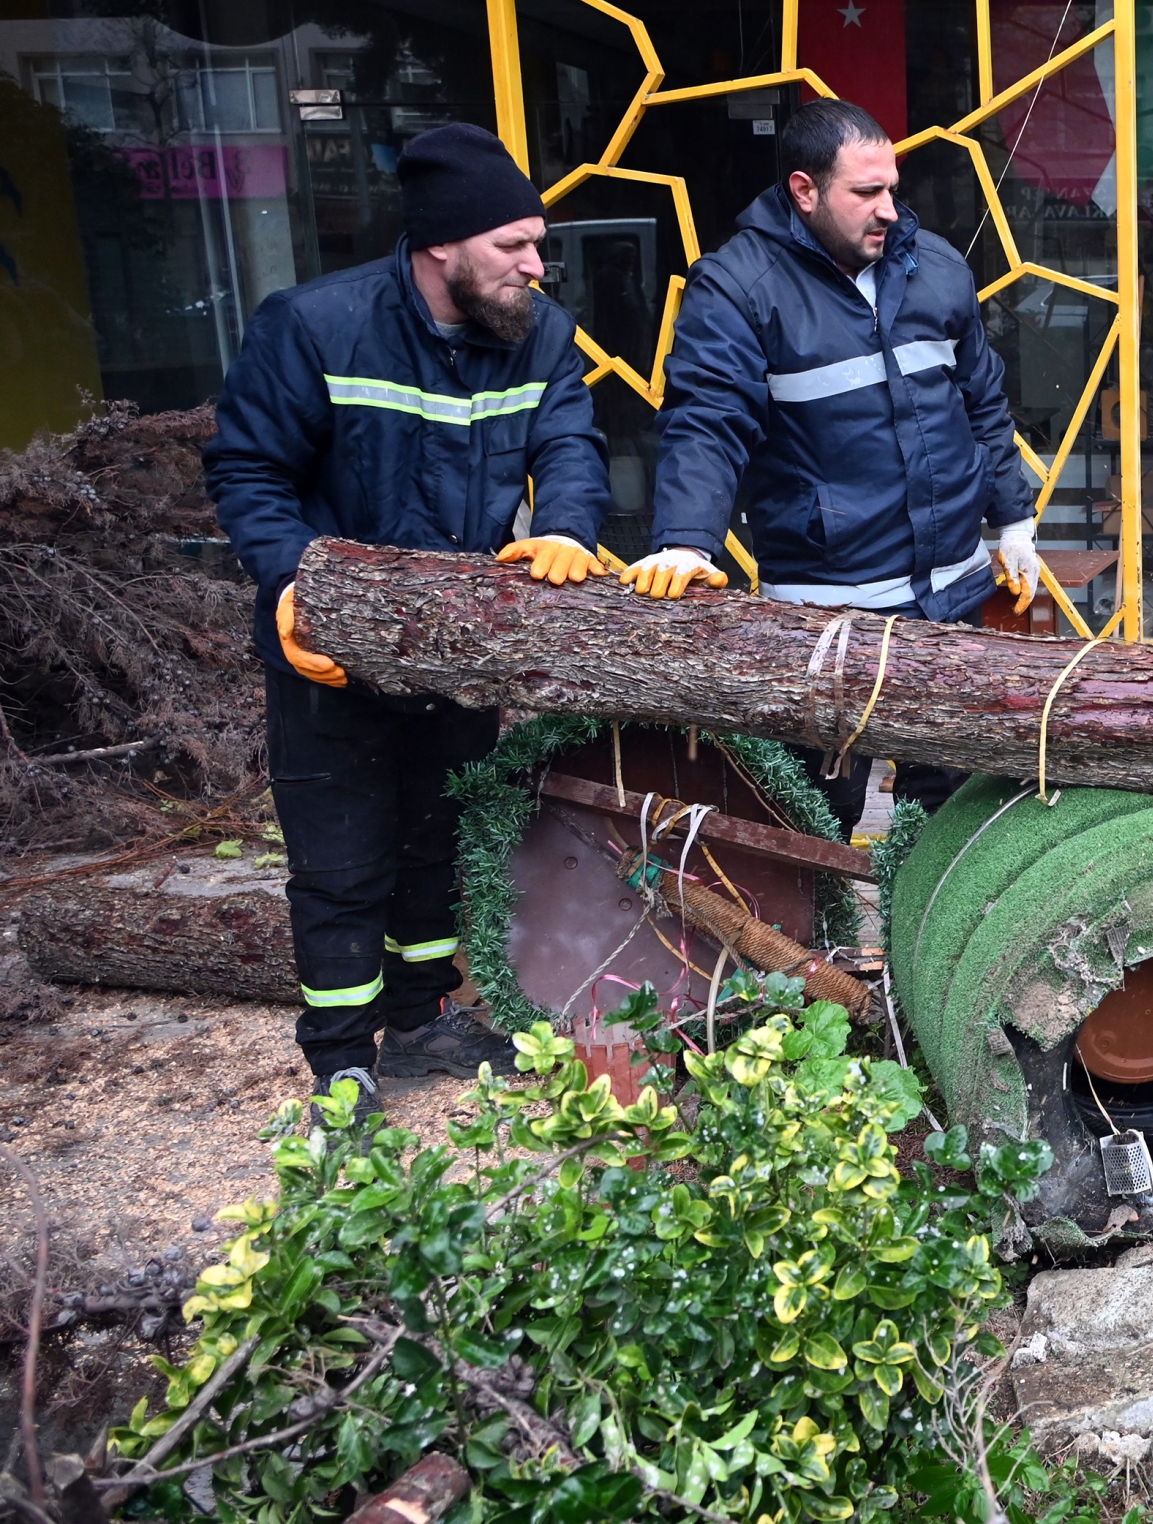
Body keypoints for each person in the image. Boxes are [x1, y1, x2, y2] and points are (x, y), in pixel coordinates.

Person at [204, 121, 611, 1124]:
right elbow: (250, 473)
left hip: (456, 654)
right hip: (329, 657)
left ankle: (423, 1013)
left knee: (440, 838)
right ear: (442, 244)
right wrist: (289, 582)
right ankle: (341, 1058)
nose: (535, 262)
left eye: (537, 242)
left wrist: (563, 524)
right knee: (342, 859)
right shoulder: (314, 327)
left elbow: (571, 442)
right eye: (514, 243)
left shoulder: (538, 334)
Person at [622, 99, 1039, 829]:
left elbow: (983, 402)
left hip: (949, 605)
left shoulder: (936, 267)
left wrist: (1014, 519)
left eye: (891, 188)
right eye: (865, 193)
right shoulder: (737, 288)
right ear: (804, 191)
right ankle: (812, 947)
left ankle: (919, 941)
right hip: (824, 618)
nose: (888, 209)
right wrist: (688, 539)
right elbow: (707, 420)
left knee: (946, 813)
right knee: (817, 812)